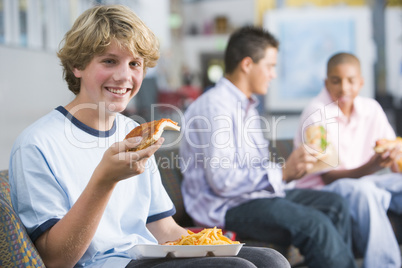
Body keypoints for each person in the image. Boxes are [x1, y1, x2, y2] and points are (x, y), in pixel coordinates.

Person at [8, 5, 290, 268]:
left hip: (146, 255)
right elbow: (55, 259)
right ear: (77, 66)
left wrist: (212, 246)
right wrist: (104, 181)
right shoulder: (37, 144)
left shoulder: (135, 131)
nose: (124, 76)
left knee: (270, 260)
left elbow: (164, 229)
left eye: (135, 64)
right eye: (109, 61)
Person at [180, 26, 357, 268]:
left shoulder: (247, 107)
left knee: (336, 205)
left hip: (253, 197)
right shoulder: (215, 107)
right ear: (247, 65)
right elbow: (222, 181)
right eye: (270, 66)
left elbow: (255, 168)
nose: (273, 74)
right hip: (224, 207)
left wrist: (295, 171)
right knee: (315, 224)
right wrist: (283, 172)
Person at [294, 52, 402, 268]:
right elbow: (327, 177)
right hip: (323, 190)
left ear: (361, 82)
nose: (344, 88)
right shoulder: (316, 115)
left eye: (351, 81)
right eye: (336, 81)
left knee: (371, 188)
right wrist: (371, 166)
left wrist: (395, 159)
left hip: (363, 181)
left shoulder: (371, 109)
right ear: (326, 82)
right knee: (364, 192)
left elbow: (393, 157)